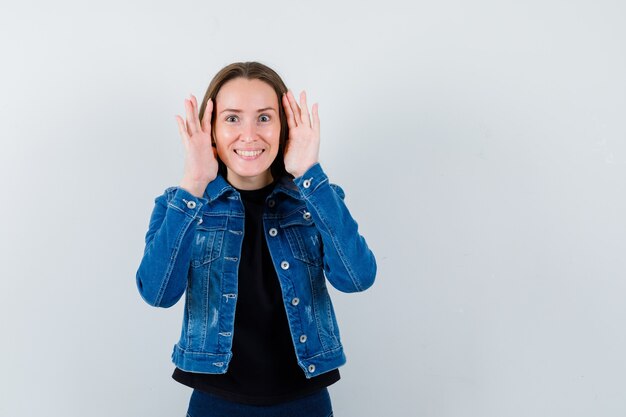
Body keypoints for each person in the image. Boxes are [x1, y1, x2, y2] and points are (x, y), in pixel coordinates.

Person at [136, 61, 377, 417]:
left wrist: (310, 174)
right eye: (232, 118)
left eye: (264, 118)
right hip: (215, 402)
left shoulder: (314, 200)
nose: (249, 135)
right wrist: (194, 183)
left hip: (304, 401)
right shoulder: (180, 204)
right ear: (211, 130)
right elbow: (157, 294)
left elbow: (357, 279)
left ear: (284, 128)